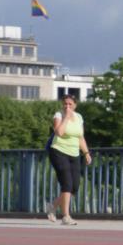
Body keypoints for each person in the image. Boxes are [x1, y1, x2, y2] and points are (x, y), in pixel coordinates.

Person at [46, 95, 92, 225]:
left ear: (75, 105)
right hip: (58, 151)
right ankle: (66, 216)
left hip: (74, 153)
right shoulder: (59, 115)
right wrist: (66, 116)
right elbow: (59, 132)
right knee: (67, 184)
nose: (67, 106)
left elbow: (80, 137)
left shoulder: (79, 117)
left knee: (75, 187)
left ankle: (53, 206)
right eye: (65, 104)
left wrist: (86, 152)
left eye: (70, 104)